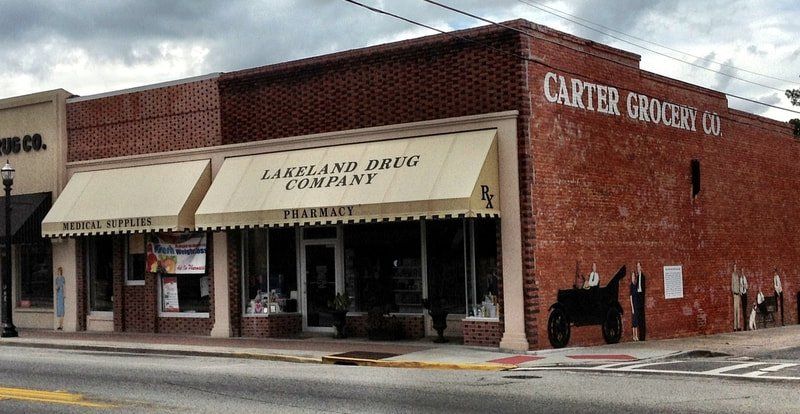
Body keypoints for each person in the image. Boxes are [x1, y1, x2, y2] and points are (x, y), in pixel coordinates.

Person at [635, 262, 647, 341]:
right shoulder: (637, 276)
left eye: (639, 266)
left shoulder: (642, 277)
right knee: (639, 317)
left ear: (641, 267)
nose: (638, 268)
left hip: (641, 298)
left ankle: (643, 336)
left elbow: (643, 289)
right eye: (637, 267)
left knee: (642, 317)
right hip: (638, 297)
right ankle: (640, 335)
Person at [629, 270, 642, 341]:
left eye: (633, 276)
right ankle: (633, 336)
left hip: (636, 304)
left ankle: (636, 335)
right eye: (632, 276)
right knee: (634, 321)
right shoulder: (631, 286)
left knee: (636, 320)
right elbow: (630, 297)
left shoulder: (636, 285)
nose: (633, 277)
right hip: (633, 304)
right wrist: (632, 307)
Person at [731, 264, 741, 331]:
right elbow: (732, 285)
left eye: (736, 267)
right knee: (735, 310)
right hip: (735, 294)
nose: (735, 268)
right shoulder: (733, 275)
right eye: (734, 267)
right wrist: (733, 293)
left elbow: (739, 284)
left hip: (738, 294)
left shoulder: (737, 275)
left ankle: (738, 326)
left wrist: (739, 292)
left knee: (738, 310)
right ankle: (735, 327)